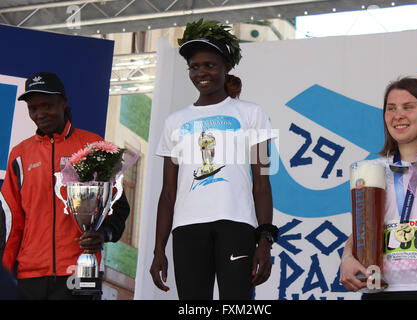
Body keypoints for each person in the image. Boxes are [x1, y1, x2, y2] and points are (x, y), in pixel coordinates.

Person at [149, 19, 279, 300]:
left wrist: (265, 240)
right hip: (187, 229)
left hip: (238, 225)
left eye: (209, 65)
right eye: (194, 67)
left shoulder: (252, 113)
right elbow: (168, 192)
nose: (201, 73)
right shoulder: (174, 121)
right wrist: (159, 248)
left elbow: (262, 184)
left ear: (226, 67)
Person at [0, 72, 130, 300]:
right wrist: (4, 270)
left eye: (47, 106)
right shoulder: (19, 155)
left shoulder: (93, 145)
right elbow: (10, 220)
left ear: (63, 102)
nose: (40, 114)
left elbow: (118, 205)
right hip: (30, 273)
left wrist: (104, 233)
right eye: (33, 108)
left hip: (82, 268)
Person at [340, 77, 417, 299]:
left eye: (408, 107)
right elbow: (364, 227)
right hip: (382, 288)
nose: (398, 115)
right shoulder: (371, 169)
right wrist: (347, 257)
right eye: (391, 109)